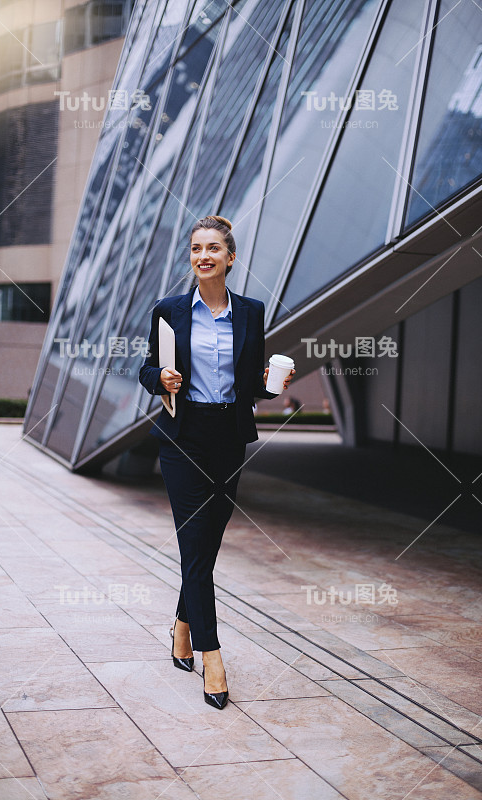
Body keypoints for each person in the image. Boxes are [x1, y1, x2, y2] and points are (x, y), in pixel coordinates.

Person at [139, 215, 295, 709]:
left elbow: (250, 384)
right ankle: (212, 656)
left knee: (206, 545)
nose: (202, 256)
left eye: (212, 249)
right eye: (195, 249)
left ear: (230, 258)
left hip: (229, 438)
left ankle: (182, 626)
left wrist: (272, 385)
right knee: (193, 544)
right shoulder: (168, 310)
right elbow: (146, 365)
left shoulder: (250, 312)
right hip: (182, 438)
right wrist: (159, 376)